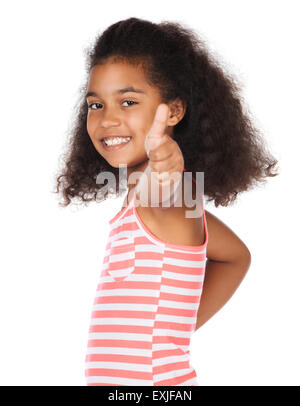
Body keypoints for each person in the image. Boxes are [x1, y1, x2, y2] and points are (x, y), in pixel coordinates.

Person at [54, 17, 279, 386]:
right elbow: (235, 255)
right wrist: (175, 330)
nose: (108, 119)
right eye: (96, 105)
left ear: (173, 112)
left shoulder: (166, 197)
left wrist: (166, 161)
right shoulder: (170, 208)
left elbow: (164, 184)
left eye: (128, 101)